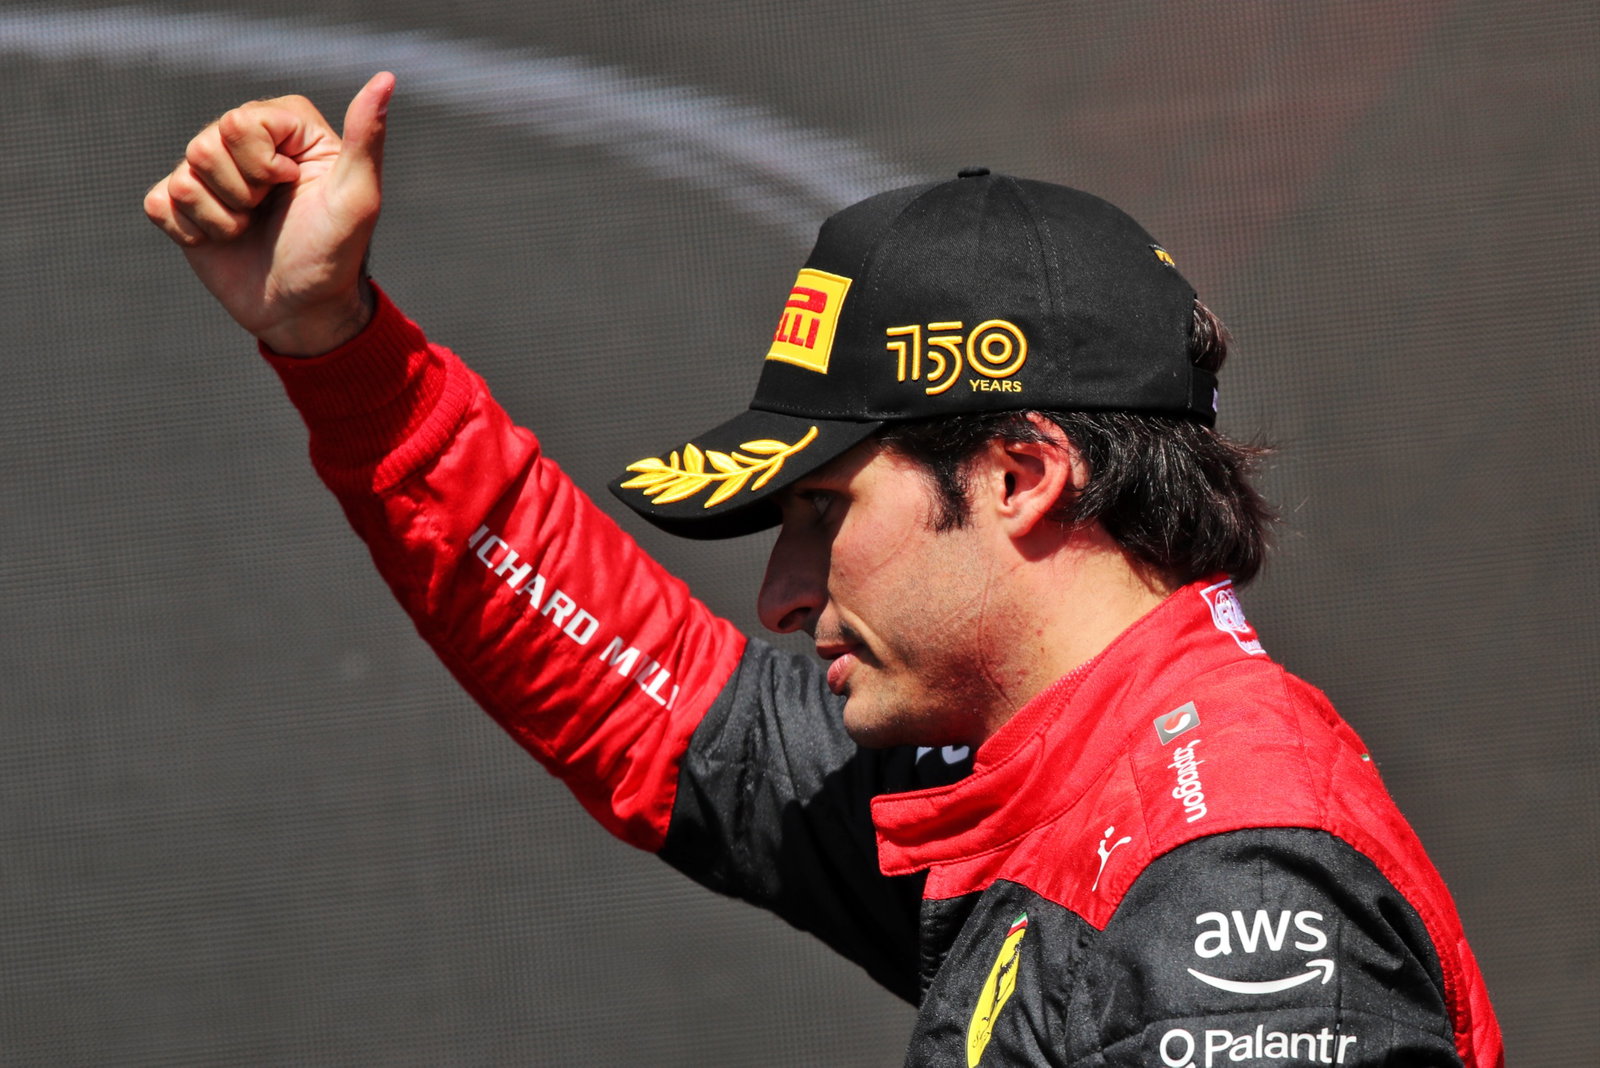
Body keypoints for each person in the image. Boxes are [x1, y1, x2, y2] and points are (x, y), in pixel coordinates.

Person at [145, 73, 1503, 1066]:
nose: (784, 597)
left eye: (822, 509)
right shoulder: (1035, 768)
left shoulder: (1230, 877)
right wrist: (339, 350)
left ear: (1023, 476)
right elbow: (650, 695)